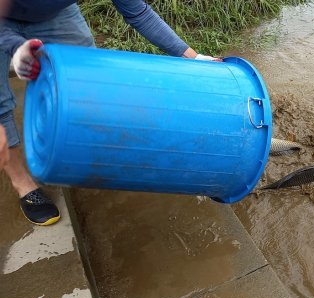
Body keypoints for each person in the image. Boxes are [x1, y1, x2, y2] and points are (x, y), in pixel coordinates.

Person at [0, 0, 219, 225]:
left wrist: (195, 59)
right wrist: (14, 45)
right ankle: (22, 183)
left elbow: (138, 13)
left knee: (88, 79)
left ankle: (79, 146)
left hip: (52, 14)